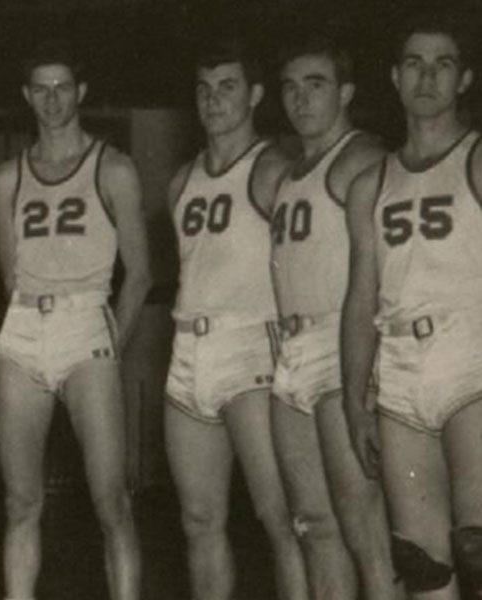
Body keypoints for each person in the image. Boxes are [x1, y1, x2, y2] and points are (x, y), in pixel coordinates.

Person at [0, 41, 149, 600]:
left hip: (88, 326)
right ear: (27, 96)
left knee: (111, 500)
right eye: (41, 88)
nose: (52, 99)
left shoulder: (114, 168)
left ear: (80, 93)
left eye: (62, 87)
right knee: (20, 501)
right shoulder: (7, 177)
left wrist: (107, 344)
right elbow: (9, 276)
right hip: (25, 327)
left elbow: (142, 274)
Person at [161, 40, 306, 600]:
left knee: (282, 518)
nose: (213, 100)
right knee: (199, 521)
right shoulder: (180, 181)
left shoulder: (273, 170)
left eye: (227, 87)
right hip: (189, 351)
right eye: (204, 88)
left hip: (253, 349)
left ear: (255, 95)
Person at [342, 17, 480, 599]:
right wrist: (353, 396)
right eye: (415, 64)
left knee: (478, 547)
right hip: (399, 367)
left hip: (470, 354)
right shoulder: (370, 185)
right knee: (422, 566)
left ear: (465, 78)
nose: (427, 76)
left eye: (442, 63)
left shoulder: (475, 158)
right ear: (395, 78)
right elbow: (360, 297)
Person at [270, 37, 400, 600]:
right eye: (290, 87)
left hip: (340, 345)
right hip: (291, 354)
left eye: (315, 84)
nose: (300, 99)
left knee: (364, 531)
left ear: (345, 91)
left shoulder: (362, 159)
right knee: (314, 528)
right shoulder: (290, 171)